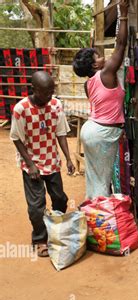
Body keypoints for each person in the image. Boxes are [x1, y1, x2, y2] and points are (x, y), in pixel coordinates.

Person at [10, 71, 75, 257]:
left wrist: (68, 158)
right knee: (36, 206)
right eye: (45, 92)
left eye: (51, 92)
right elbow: (16, 139)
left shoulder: (55, 105)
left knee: (60, 199)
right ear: (34, 89)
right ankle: (39, 238)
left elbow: (61, 133)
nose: (49, 96)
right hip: (32, 165)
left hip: (52, 161)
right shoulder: (21, 109)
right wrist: (30, 164)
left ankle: (55, 231)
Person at [72, 0, 129, 199]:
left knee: (94, 179)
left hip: (91, 130)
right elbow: (121, 45)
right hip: (103, 132)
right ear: (95, 66)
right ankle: (100, 223)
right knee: (102, 183)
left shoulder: (88, 84)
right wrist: (123, 13)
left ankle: (93, 217)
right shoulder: (106, 73)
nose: (102, 57)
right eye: (98, 56)